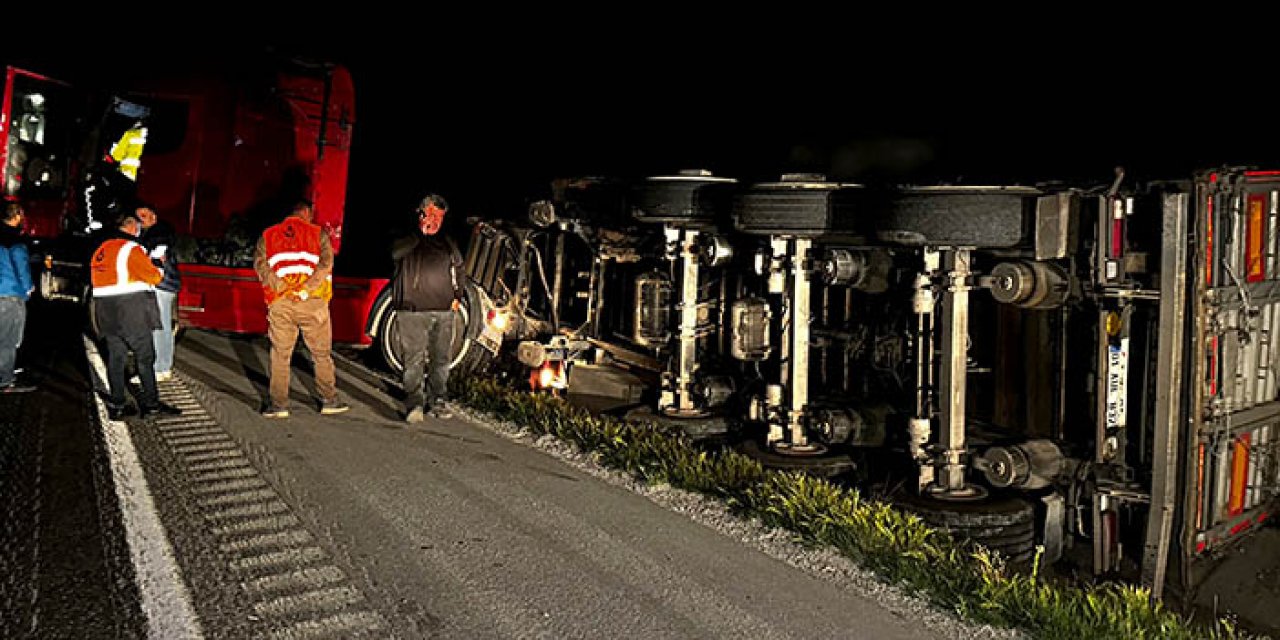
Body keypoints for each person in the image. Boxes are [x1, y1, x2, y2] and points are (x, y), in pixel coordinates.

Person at [253, 200, 349, 418]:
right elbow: (326, 264)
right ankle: (329, 401)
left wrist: (283, 288)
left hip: (281, 302)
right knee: (321, 354)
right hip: (312, 303)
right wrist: (305, 289)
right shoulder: (318, 234)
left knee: (280, 354)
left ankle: (278, 405)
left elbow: (261, 266)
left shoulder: (268, 235)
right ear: (307, 213)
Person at [90, 213, 182, 419]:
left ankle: (118, 404)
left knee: (116, 357)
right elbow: (154, 277)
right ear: (131, 227)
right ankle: (151, 406)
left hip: (106, 311)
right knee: (145, 357)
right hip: (131, 311)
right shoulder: (131, 248)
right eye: (138, 225)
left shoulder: (101, 250)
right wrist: (158, 262)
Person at [390, 194, 463, 422]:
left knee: (441, 359)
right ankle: (414, 402)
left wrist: (457, 296)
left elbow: (459, 269)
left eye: (439, 217)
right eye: (431, 214)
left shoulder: (448, 242)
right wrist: (419, 234)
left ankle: (437, 401)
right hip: (412, 310)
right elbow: (395, 254)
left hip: (443, 311)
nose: (435, 220)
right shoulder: (405, 236)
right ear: (420, 213)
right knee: (414, 358)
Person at [136, 203, 180, 382]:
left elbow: (157, 253)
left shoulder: (159, 233)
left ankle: (160, 368)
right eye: (138, 217)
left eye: (144, 217)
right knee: (161, 326)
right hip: (164, 284)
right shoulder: (157, 232)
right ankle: (162, 366)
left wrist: (147, 258)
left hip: (161, 283)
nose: (141, 221)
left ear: (154, 216)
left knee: (158, 326)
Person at [0, 201, 35, 393]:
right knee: (8, 340)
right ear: (17, 216)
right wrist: (28, 289)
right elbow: (21, 268)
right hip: (8, 296)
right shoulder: (14, 240)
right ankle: (5, 380)